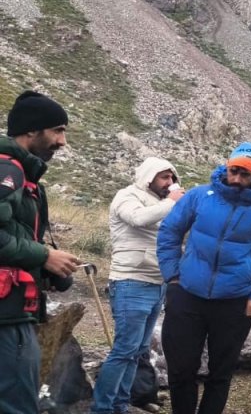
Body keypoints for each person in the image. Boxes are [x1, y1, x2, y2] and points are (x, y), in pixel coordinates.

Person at [157, 142, 251, 414]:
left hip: (234, 302)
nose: (237, 179)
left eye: (245, 174)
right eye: (234, 171)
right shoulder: (200, 196)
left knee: (220, 373)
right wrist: (173, 275)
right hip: (187, 294)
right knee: (180, 369)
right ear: (227, 166)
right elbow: (169, 232)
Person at [0, 91, 80, 414]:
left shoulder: (23, 175)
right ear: (32, 131)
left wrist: (45, 268)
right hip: (7, 319)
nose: (62, 141)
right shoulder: (10, 172)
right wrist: (43, 256)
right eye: (57, 130)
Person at [91, 157, 184, 414]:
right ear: (149, 177)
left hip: (157, 282)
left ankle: (121, 404)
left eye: (172, 178)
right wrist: (172, 202)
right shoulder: (127, 196)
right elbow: (137, 219)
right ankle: (102, 408)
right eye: (164, 177)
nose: (170, 182)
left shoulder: (164, 203)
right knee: (124, 351)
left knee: (137, 352)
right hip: (131, 281)